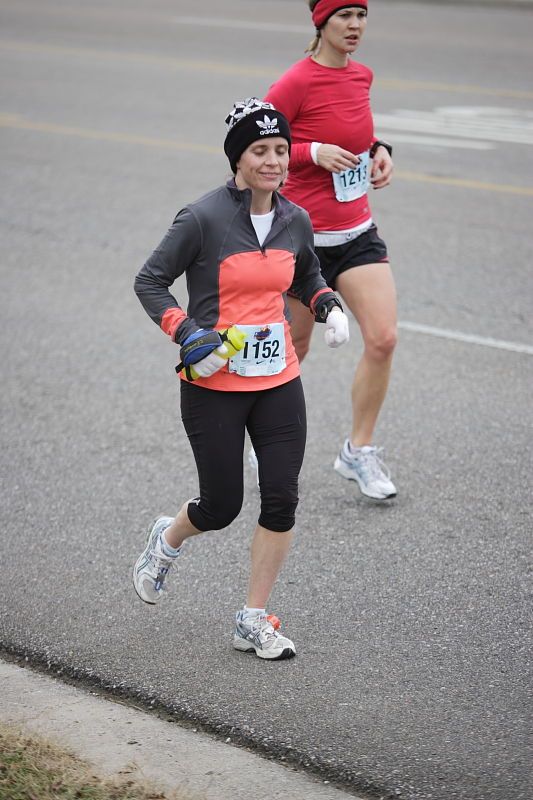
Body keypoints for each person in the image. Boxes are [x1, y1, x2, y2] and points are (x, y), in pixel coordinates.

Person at [132, 98, 350, 661]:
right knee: (222, 506)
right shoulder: (202, 218)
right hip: (213, 383)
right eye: (261, 151)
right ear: (238, 158)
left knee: (281, 498)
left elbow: (306, 275)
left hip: (279, 380)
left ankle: (252, 619)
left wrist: (328, 305)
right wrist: (187, 334)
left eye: (281, 150)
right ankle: (169, 538)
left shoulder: (294, 218)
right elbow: (151, 281)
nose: (274, 161)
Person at [264, 0, 398, 501]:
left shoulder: (361, 76)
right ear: (320, 22)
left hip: (358, 233)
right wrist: (310, 152)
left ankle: (357, 451)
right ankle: (263, 438)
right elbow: (256, 144)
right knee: (293, 350)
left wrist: (380, 152)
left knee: (383, 339)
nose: (355, 26)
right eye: (344, 16)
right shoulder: (295, 82)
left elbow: (357, 135)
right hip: (304, 243)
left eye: (362, 16)